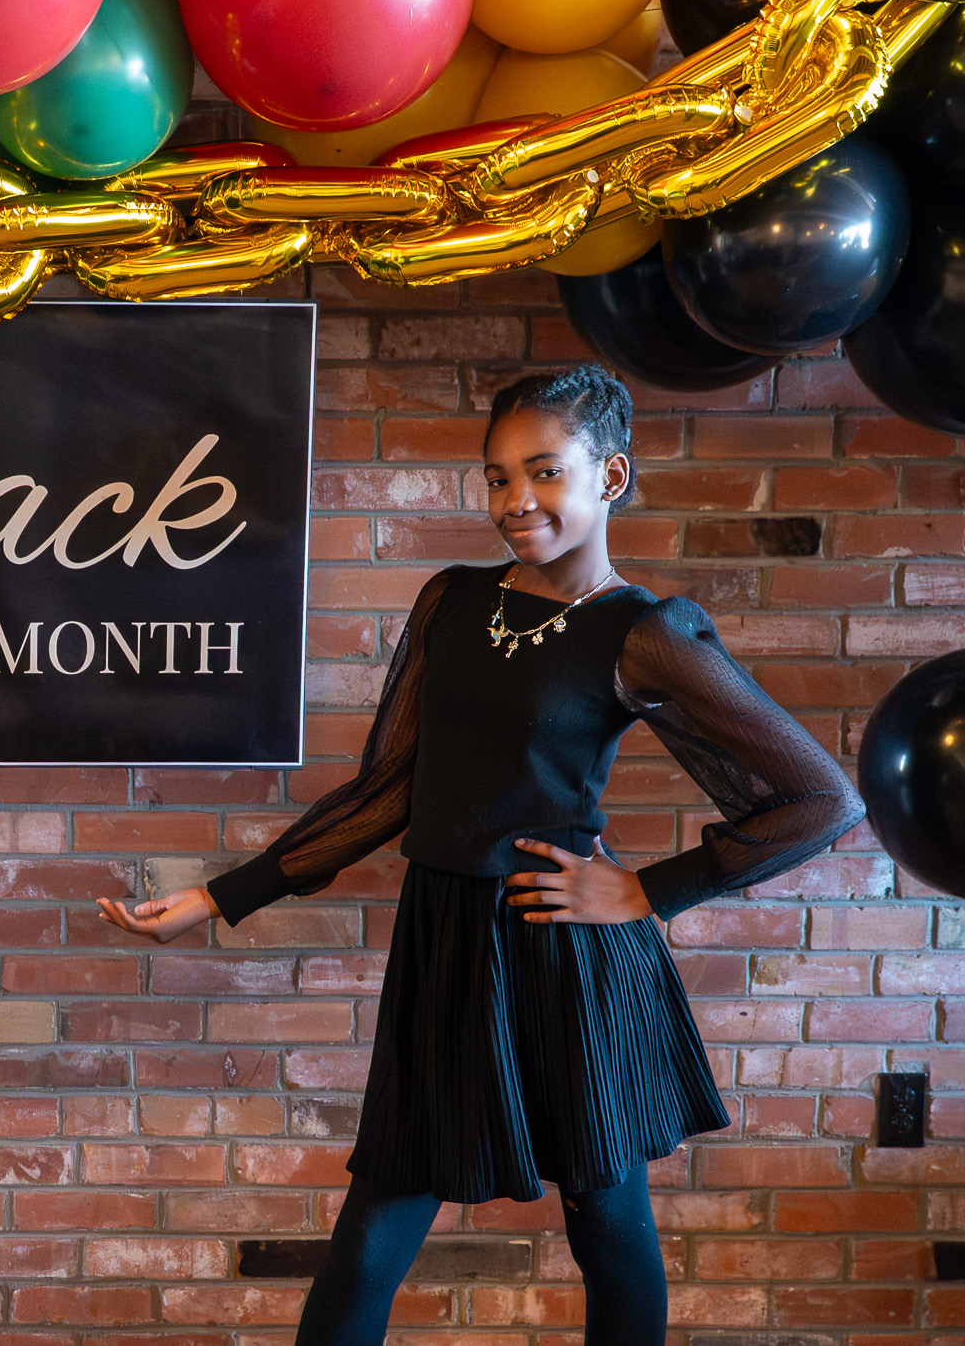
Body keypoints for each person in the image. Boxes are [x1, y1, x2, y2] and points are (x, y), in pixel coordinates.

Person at [98, 365, 863, 1346]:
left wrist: (647, 890)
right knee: (374, 1227)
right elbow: (386, 791)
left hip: (564, 951)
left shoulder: (642, 633)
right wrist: (217, 898)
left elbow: (820, 797)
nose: (514, 500)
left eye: (543, 472)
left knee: (608, 1224)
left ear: (610, 475)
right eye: (497, 477)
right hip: (445, 948)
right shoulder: (452, 602)